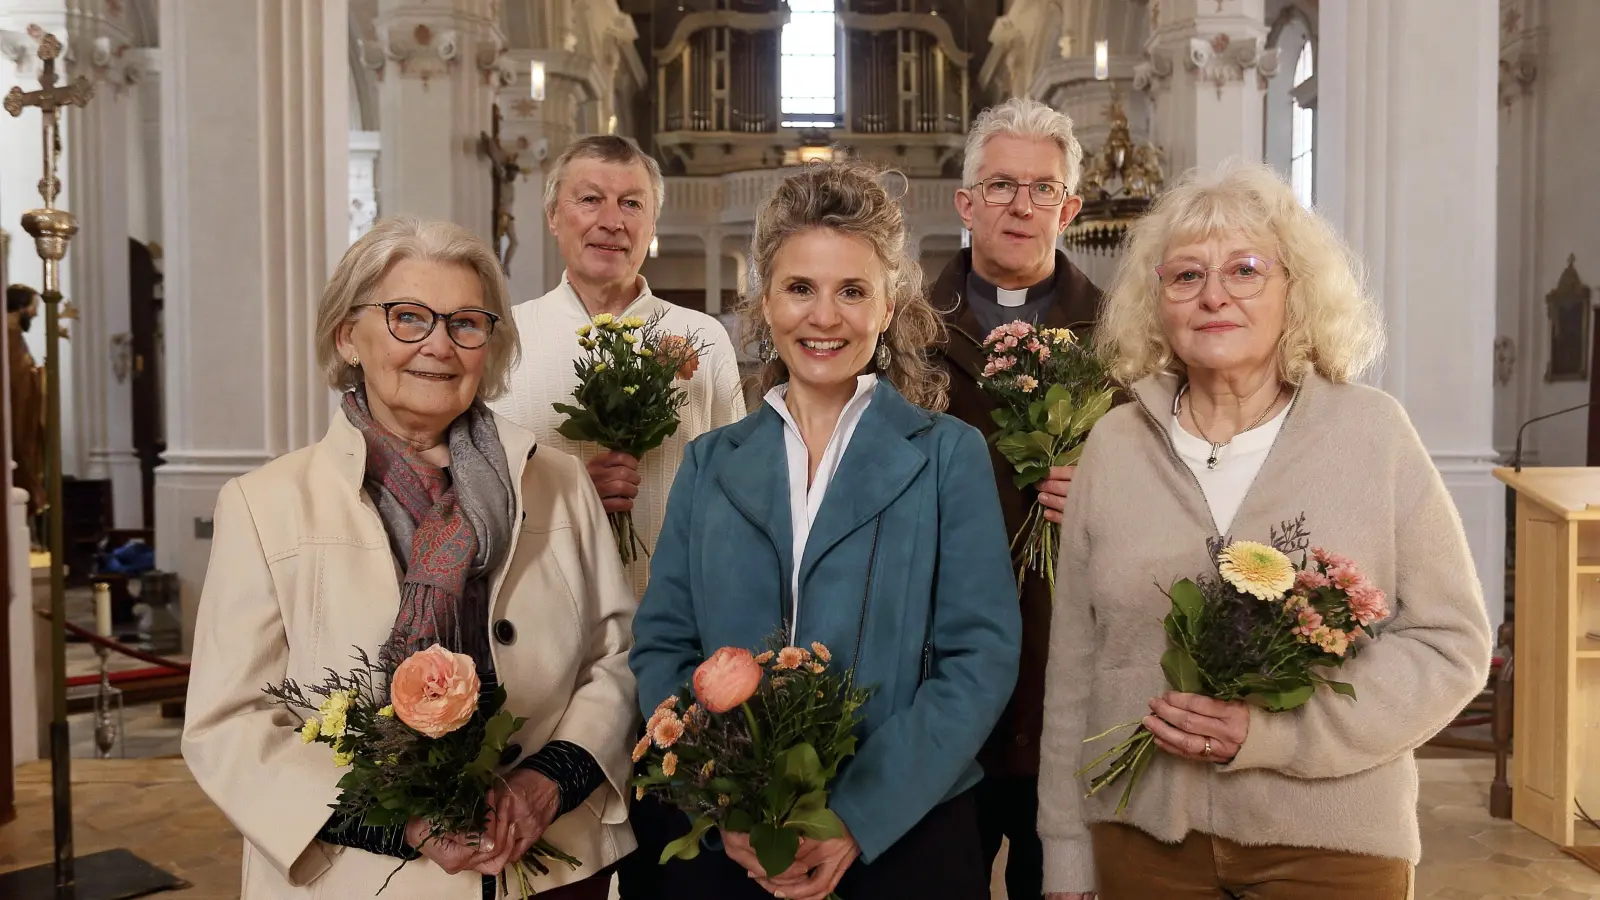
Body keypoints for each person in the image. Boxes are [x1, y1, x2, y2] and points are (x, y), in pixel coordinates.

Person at [1037, 162, 1493, 900]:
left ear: (1295, 290)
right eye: (1185, 276)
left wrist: (1276, 736)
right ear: (1156, 304)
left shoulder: (1372, 435)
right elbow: (1075, 670)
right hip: (1142, 839)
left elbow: (1451, 644)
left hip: (1329, 840)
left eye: (1245, 270)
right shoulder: (1115, 446)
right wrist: (1064, 850)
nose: (1214, 294)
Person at [182, 217, 639, 900]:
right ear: (347, 336)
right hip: (360, 877)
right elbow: (229, 724)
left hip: (549, 863)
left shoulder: (557, 481)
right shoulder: (266, 504)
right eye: (407, 318)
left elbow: (618, 652)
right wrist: (401, 823)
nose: (439, 346)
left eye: (466, 324)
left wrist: (554, 777)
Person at [628, 159, 1021, 900]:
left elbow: (980, 658)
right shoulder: (711, 463)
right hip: (730, 842)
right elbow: (663, 644)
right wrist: (730, 799)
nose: (825, 317)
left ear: (888, 304)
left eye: (852, 291)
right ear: (765, 299)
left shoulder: (947, 455)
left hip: (905, 837)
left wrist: (857, 817)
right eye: (800, 288)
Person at [929, 96, 1103, 900]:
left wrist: (1104, 492)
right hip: (938, 669)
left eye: (1043, 188)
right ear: (966, 203)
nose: (1021, 205)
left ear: (1070, 205)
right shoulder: (904, 332)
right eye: (1000, 186)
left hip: (1068, 669)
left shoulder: (1121, 337)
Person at [488, 135, 746, 599]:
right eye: (590, 200)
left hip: (675, 613)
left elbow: (738, 494)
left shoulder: (703, 338)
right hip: (537, 608)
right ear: (553, 216)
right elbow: (473, 494)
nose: (612, 222)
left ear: (652, 223)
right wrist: (567, 495)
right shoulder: (503, 338)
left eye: (631, 204)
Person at [6, 283, 45, 521]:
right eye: (33, 307)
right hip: (16, 419)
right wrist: (43, 378)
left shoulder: (14, 335)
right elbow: (18, 382)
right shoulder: (9, 336)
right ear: (21, 307)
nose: (36, 313)